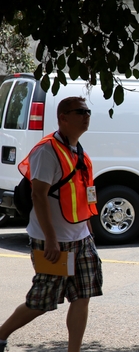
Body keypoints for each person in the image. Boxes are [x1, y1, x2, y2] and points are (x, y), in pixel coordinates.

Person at [0, 97, 102, 352]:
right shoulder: (47, 151)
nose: (86, 115)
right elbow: (38, 195)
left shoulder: (79, 150)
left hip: (81, 238)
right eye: (80, 111)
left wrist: (88, 228)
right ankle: (1, 334)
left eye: (88, 111)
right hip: (52, 239)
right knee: (42, 301)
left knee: (83, 296)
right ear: (63, 117)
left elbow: (84, 193)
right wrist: (51, 238)